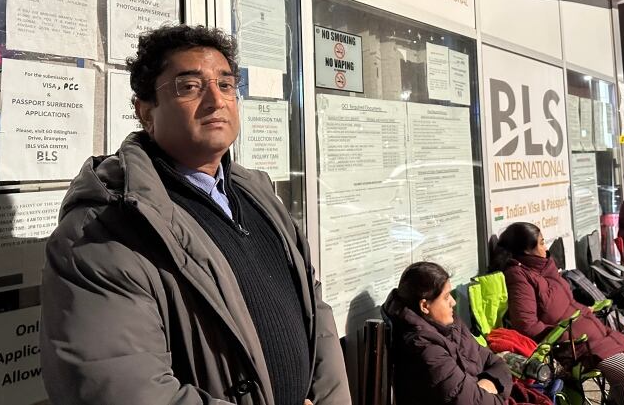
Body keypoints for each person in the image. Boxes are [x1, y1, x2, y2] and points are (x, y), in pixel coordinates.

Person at [40, 25, 350, 405]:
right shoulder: (102, 232)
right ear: (145, 111)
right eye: (189, 86)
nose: (215, 100)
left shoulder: (259, 197)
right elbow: (121, 391)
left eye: (225, 84)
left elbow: (314, 312)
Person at [491, 223, 624, 405]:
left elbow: (567, 302)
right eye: (541, 243)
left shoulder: (545, 267)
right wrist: (568, 335)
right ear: (527, 251)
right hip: (572, 346)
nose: (546, 248)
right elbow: (526, 325)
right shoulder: (518, 275)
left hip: (592, 332)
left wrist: (585, 311)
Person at [382, 262, 514, 405]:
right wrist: (498, 395)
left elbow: (496, 362)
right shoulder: (423, 349)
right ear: (425, 306)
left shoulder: (451, 324)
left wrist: (490, 382)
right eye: (446, 297)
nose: (453, 302)